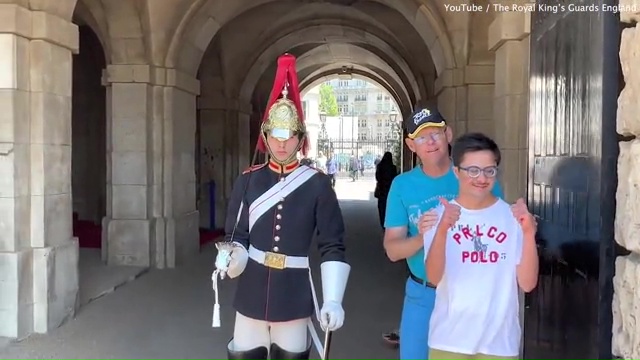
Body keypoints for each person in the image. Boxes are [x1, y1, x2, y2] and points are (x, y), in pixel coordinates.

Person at [212, 54, 351, 360]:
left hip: (294, 293)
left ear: (300, 138)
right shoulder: (248, 180)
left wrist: (333, 300)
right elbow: (238, 234)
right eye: (276, 134)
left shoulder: (316, 184)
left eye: (290, 136)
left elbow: (332, 244)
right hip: (252, 290)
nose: (283, 143)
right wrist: (232, 256)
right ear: (265, 136)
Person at [382, 107, 503, 360]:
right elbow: (393, 250)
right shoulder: (402, 186)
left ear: (448, 134)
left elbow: (499, 230)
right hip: (424, 294)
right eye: (421, 137)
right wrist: (422, 236)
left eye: (435, 133)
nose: (431, 142)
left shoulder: (475, 175)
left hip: (471, 294)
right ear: (411, 145)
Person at [424, 132, 538, 360]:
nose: (481, 178)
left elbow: (527, 283)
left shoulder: (512, 217)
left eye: (489, 170)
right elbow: (434, 277)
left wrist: (528, 234)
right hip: (450, 340)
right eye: (472, 170)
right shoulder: (437, 217)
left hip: (499, 343)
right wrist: (443, 230)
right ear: (456, 171)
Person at [374, 151, 397, 229]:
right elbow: (395, 178)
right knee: (390, 207)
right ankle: (389, 223)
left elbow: (377, 177)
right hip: (390, 189)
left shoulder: (380, 166)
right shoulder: (393, 167)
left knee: (381, 207)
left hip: (381, 190)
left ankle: (382, 223)